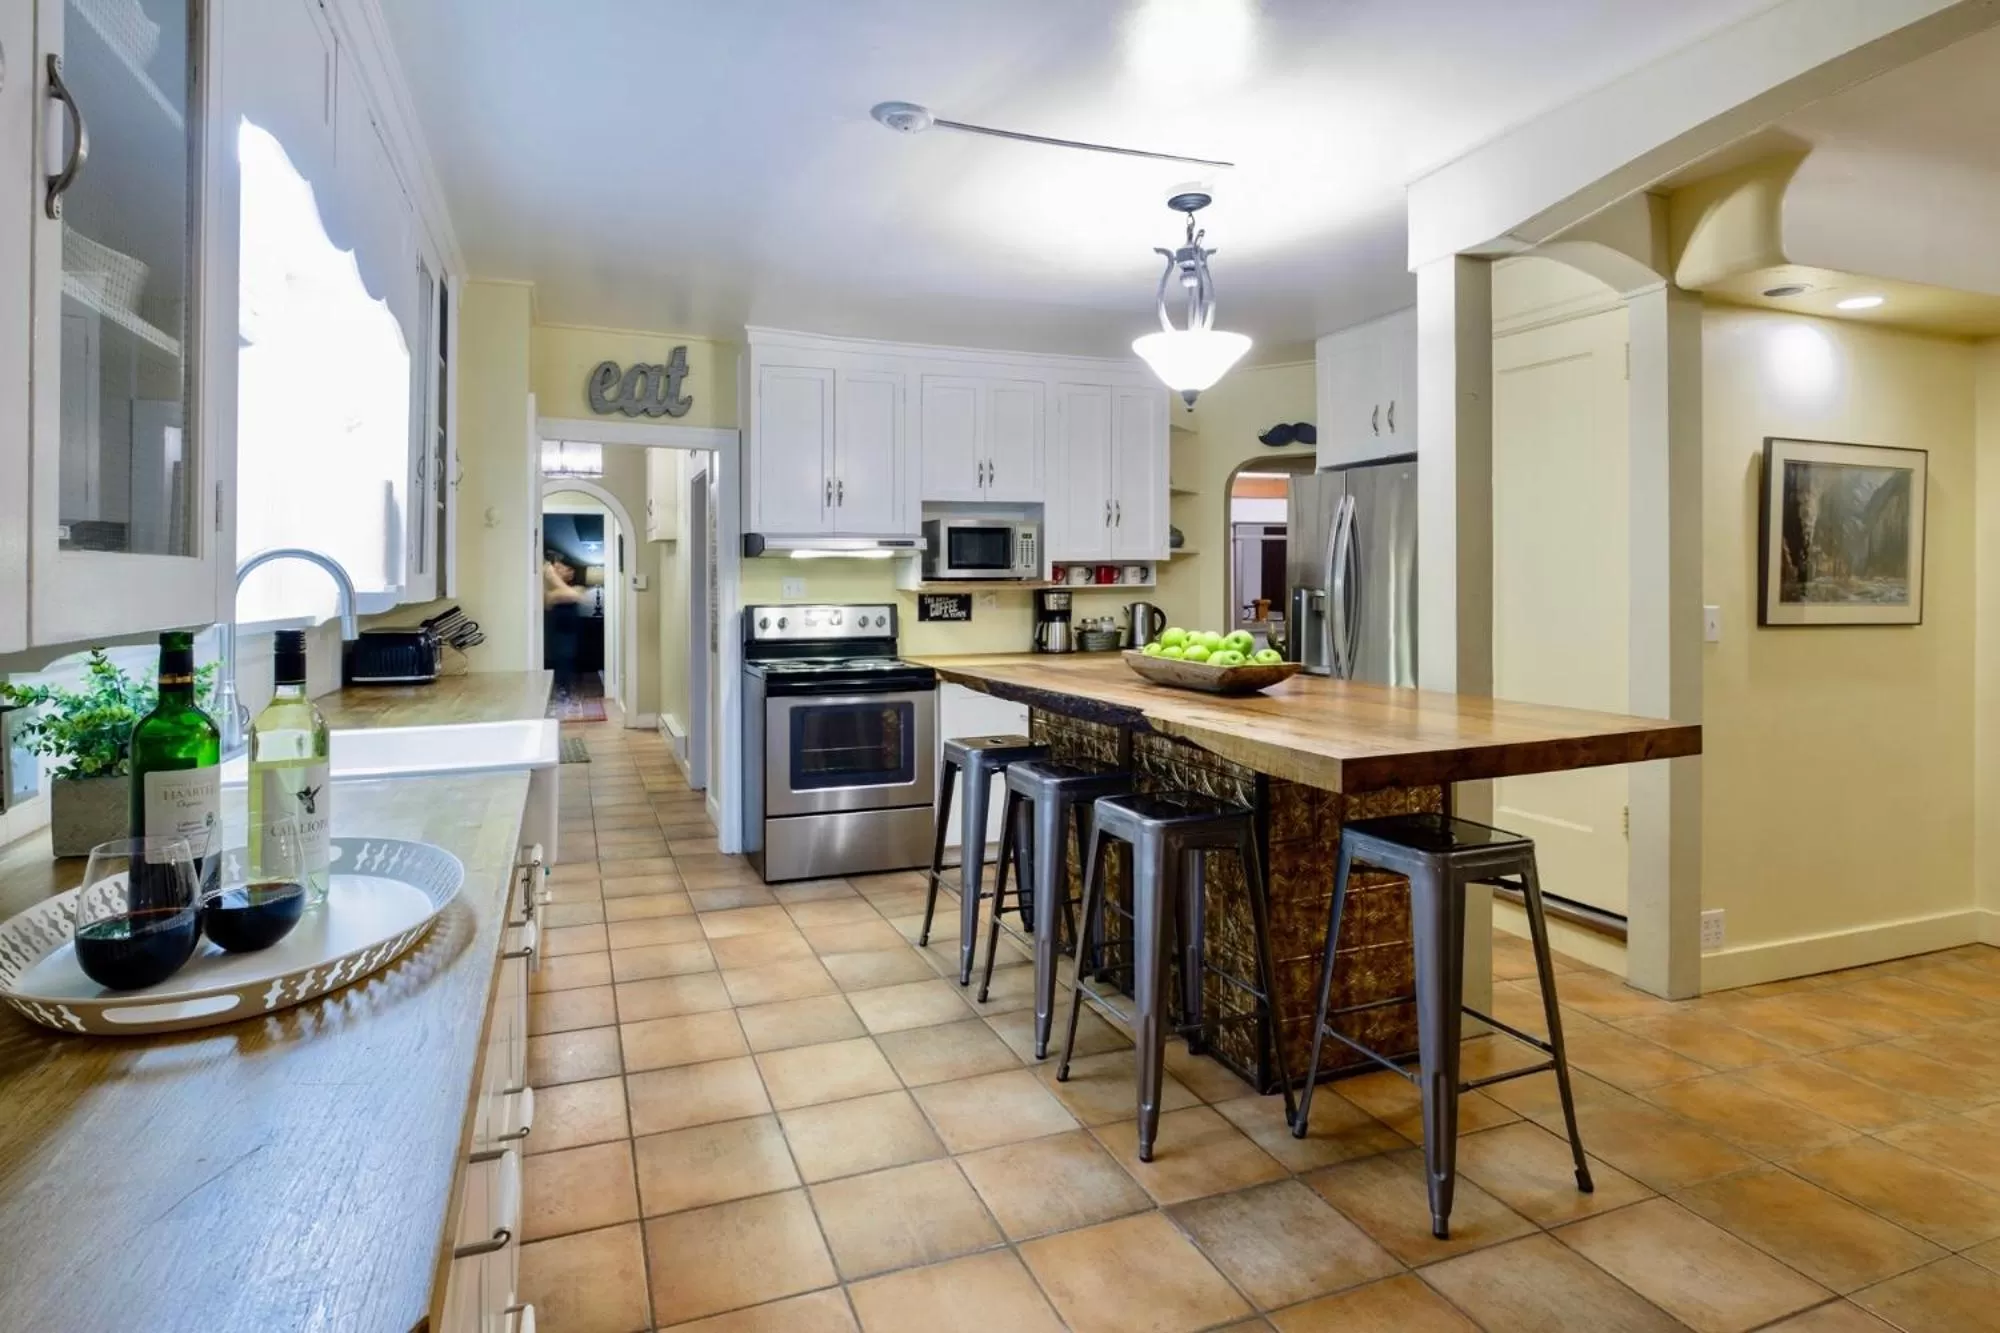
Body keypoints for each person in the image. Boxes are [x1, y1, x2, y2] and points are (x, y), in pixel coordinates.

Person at [543, 551, 589, 696]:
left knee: (566, 662)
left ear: (571, 572)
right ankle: (559, 691)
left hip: (570, 633)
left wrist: (552, 575)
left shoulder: (578, 588)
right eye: (557, 567)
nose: (558, 568)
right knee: (557, 661)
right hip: (555, 632)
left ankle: (564, 691)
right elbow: (550, 599)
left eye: (563, 567)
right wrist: (552, 577)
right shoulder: (548, 591)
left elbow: (574, 595)